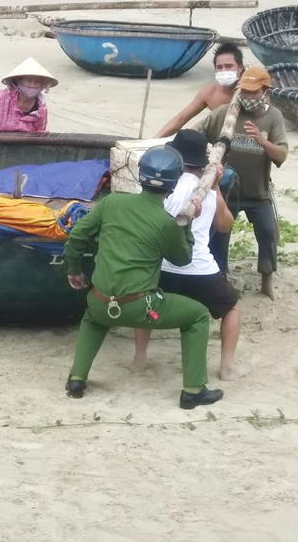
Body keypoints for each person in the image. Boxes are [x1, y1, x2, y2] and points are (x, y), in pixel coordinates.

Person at [63, 145, 223, 409]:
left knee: (93, 317)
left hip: (100, 301)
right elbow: (182, 259)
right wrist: (189, 225)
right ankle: (193, 390)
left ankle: (76, 380)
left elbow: (78, 236)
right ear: (172, 185)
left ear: (140, 176)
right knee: (197, 316)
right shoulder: (167, 222)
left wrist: (74, 269)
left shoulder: (112, 202)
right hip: (143, 309)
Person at [132, 130, 241, 379]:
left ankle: (139, 358)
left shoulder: (163, 188)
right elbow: (225, 225)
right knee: (232, 307)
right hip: (199, 269)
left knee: (146, 305)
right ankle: (227, 366)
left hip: (161, 267)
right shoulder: (208, 190)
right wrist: (215, 187)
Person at [195, 66, 287, 299]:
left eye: (253, 92)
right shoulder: (225, 113)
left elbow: (281, 156)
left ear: (265, 92)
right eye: (244, 92)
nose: (247, 97)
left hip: (259, 192)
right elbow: (196, 133)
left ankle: (266, 280)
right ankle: (220, 278)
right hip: (227, 192)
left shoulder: (273, 117)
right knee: (220, 234)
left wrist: (261, 140)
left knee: (267, 233)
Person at [153, 43, 245, 139]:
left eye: (229, 66)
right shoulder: (210, 93)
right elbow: (181, 118)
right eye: (219, 67)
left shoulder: (252, 90)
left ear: (240, 68)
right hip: (220, 137)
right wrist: (153, 140)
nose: (224, 71)